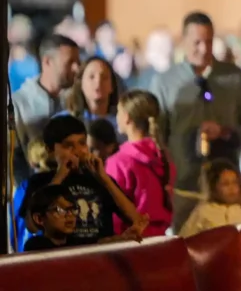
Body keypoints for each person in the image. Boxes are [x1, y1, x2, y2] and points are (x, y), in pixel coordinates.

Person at [150, 11, 241, 232]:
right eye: (197, 42)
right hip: (184, 186)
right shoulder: (165, 82)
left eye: (208, 42)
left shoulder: (233, 77)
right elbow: (157, 135)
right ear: (183, 41)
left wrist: (227, 132)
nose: (204, 49)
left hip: (226, 187)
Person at [18, 115, 149, 246]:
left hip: (99, 256)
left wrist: (104, 178)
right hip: (63, 259)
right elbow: (32, 226)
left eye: (82, 143)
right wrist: (60, 175)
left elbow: (135, 219)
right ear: (50, 150)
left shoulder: (99, 179)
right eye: (68, 145)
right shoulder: (40, 181)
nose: (77, 151)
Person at [105, 90, 176, 237]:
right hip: (159, 240)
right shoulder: (163, 157)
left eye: (118, 111)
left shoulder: (119, 162)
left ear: (127, 118)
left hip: (130, 242)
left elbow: (113, 211)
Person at [12, 34, 81, 183]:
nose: (77, 68)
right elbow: (13, 163)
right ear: (47, 62)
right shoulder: (18, 104)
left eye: (78, 62)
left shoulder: (74, 101)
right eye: (70, 62)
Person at [177, 159, 241, 237]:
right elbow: (185, 239)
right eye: (225, 184)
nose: (232, 188)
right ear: (214, 187)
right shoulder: (203, 212)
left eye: (235, 182)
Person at [22, 186, 78, 252]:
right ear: (39, 219)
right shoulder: (35, 248)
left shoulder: (79, 245)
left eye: (73, 209)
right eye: (60, 210)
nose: (70, 214)